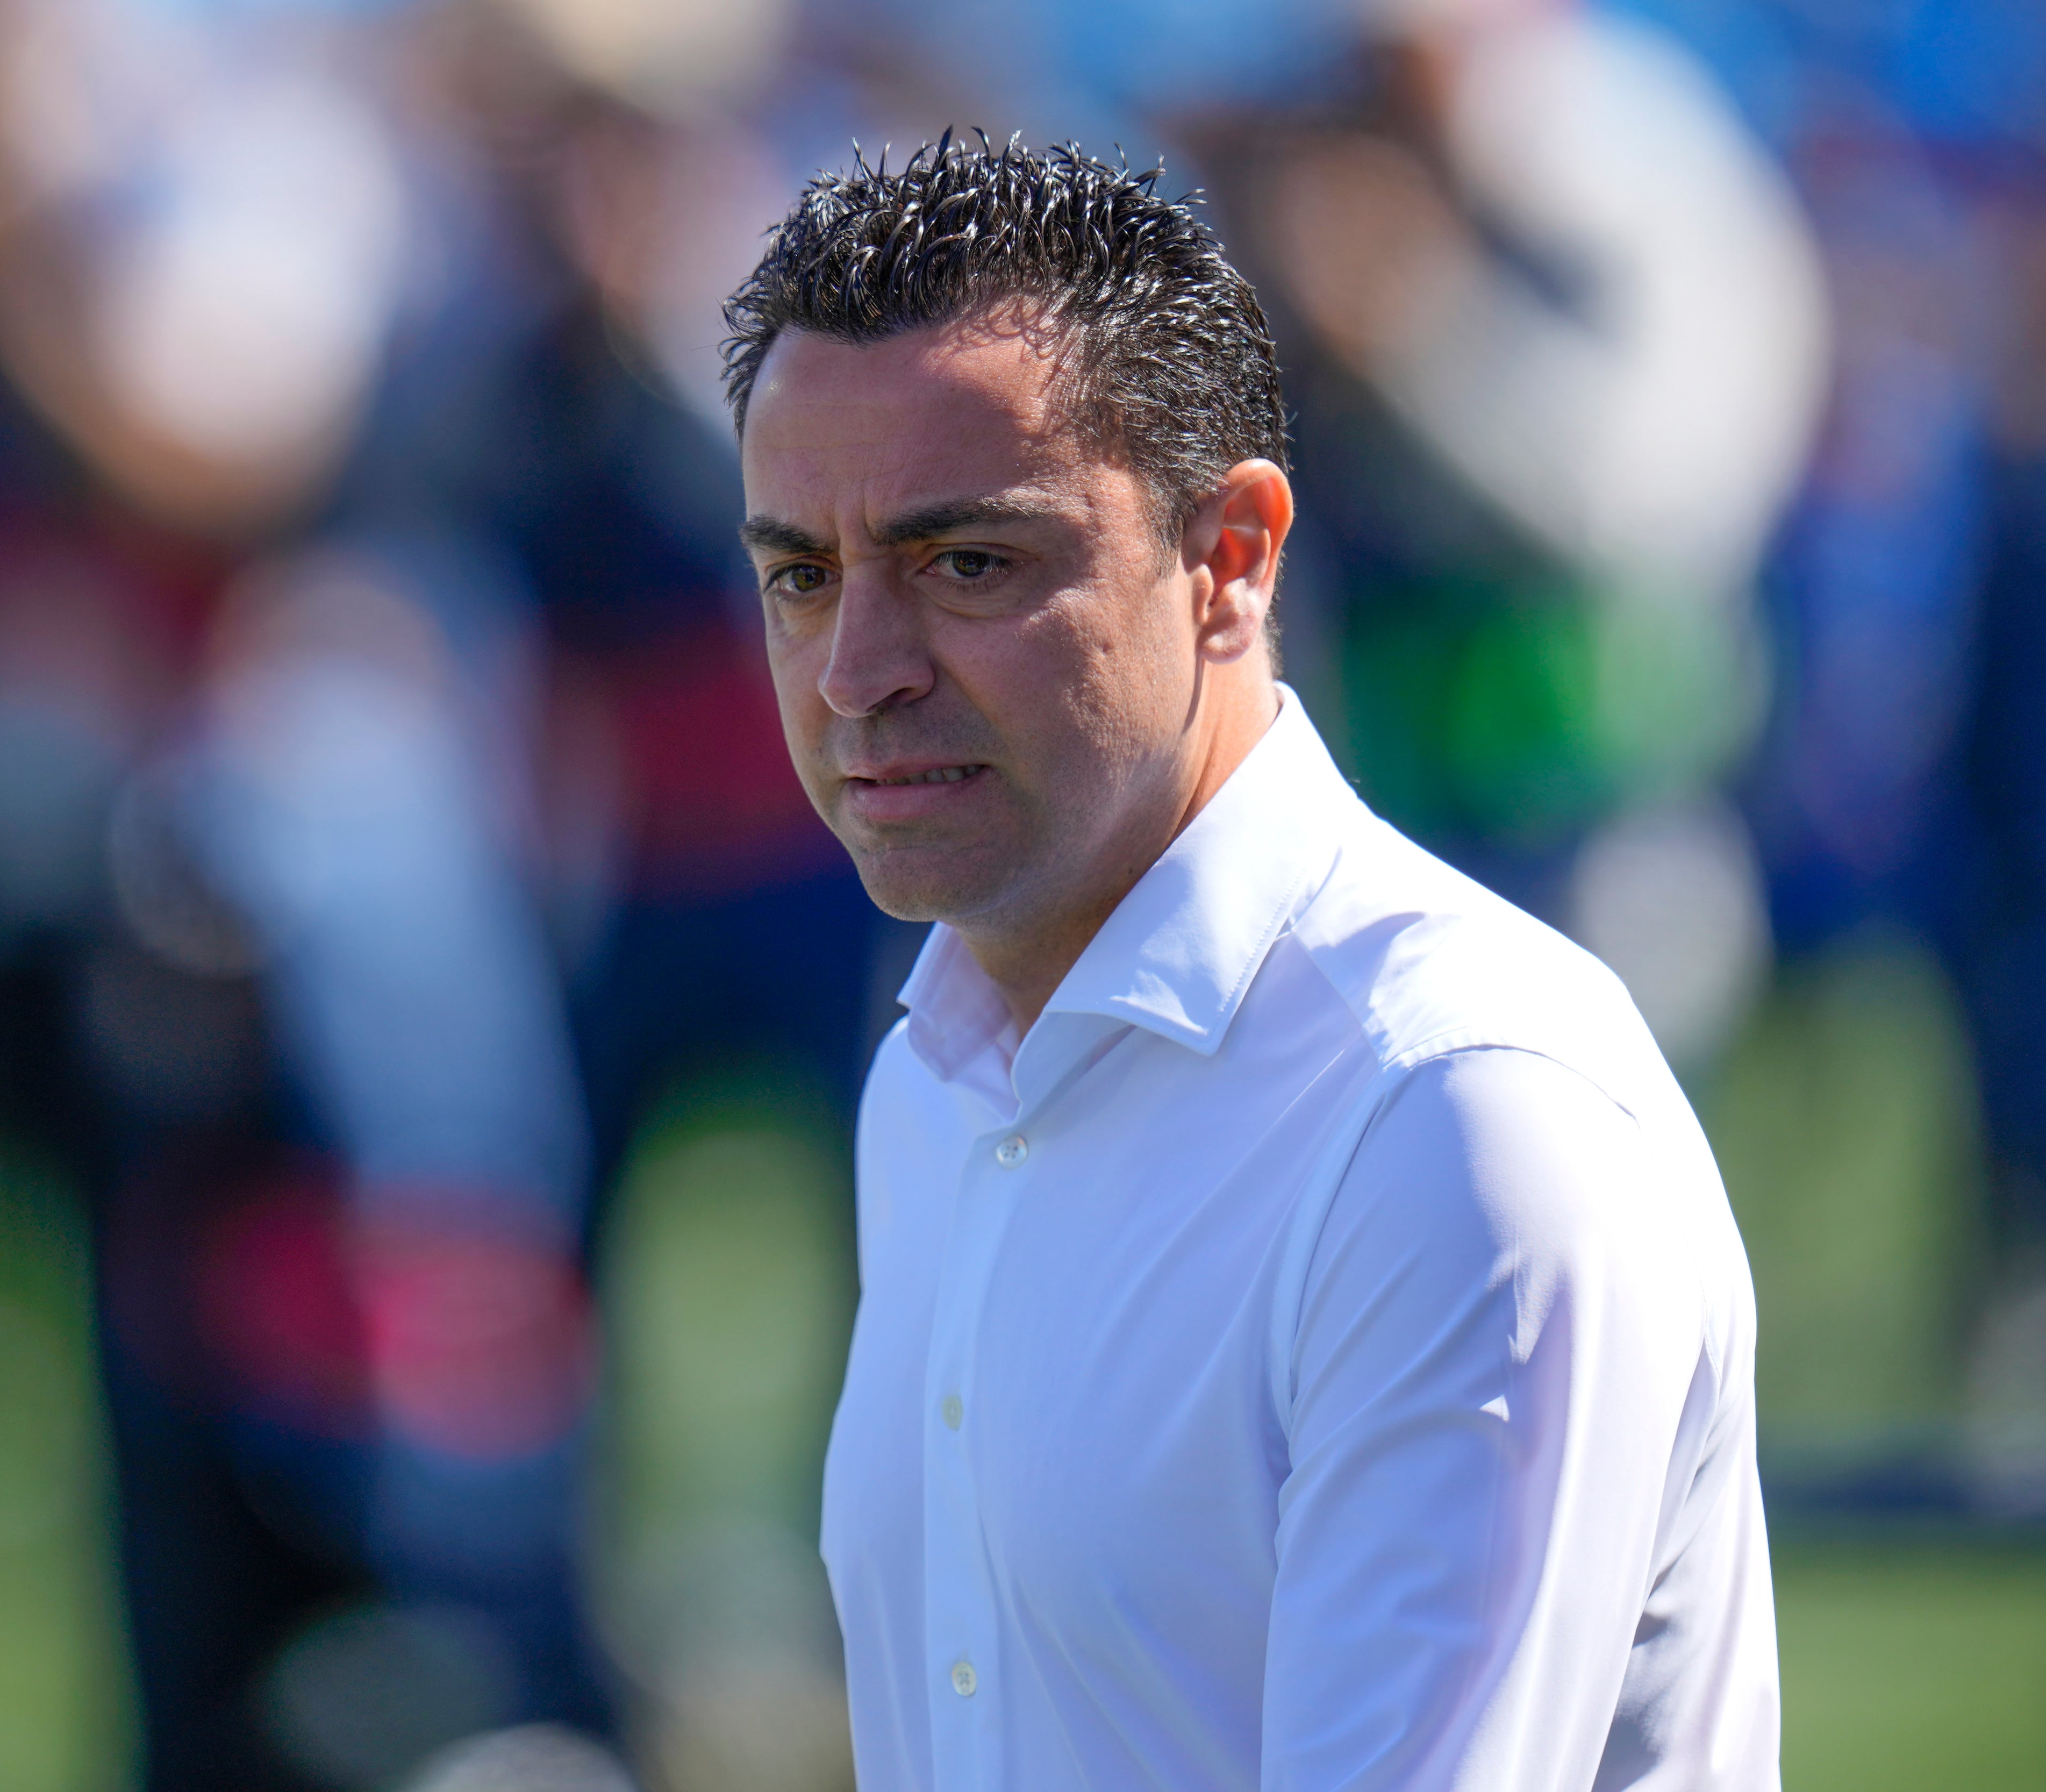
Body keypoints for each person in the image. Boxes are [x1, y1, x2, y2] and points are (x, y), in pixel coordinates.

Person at [722, 136, 1776, 1789]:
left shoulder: (1460, 1121)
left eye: (967, 563)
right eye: (799, 575)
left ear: (1231, 559)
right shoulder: (943, 1071)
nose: (855, 671)